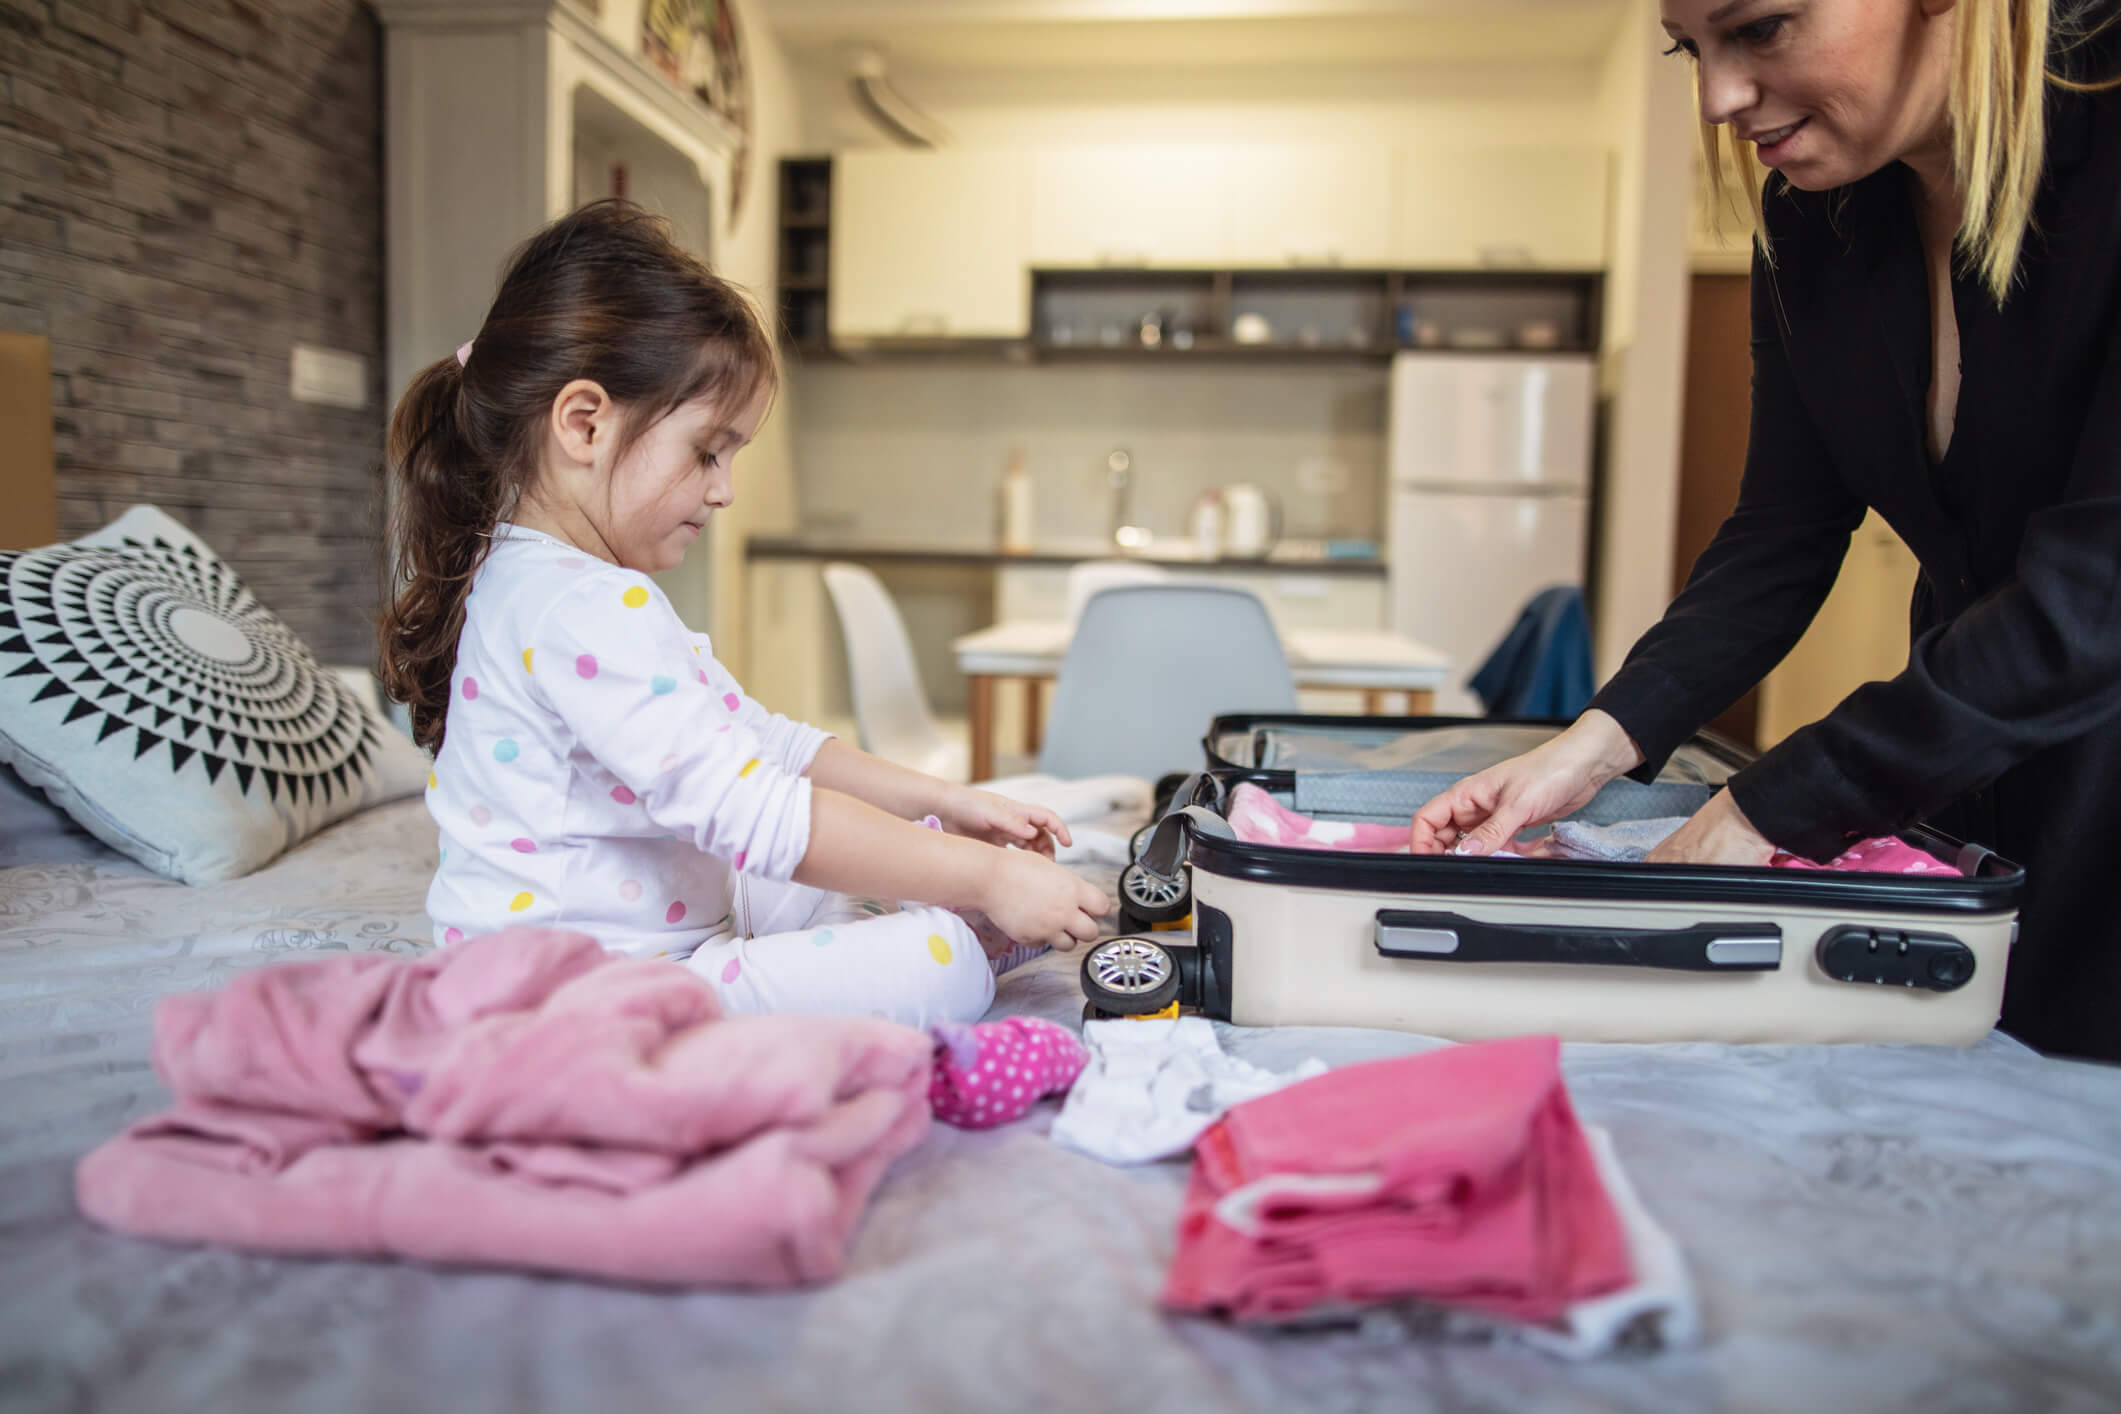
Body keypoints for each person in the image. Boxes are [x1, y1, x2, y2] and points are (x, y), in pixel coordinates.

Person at [1412, 0, 2121, 1060]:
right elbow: (1782, 529)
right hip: (1965, 758)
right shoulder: (1813, 220)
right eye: (1689, 48)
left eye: (1763, 27)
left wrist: (1785, 802)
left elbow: (2100, 587)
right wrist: (1593, 747)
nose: (1717, 97)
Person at [378, 200, 1112, 1029]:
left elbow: (765, 745)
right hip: (580, 993)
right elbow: (752, 809)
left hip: (573, 957)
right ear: (584, 424)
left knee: (855, 854)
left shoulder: (538, 582)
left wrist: (943, 802)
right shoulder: (580, 604)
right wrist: (985, 878)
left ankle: (930, 909)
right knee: (934, 958)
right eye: (707, 451)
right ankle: (959, 933)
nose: (723, 489)